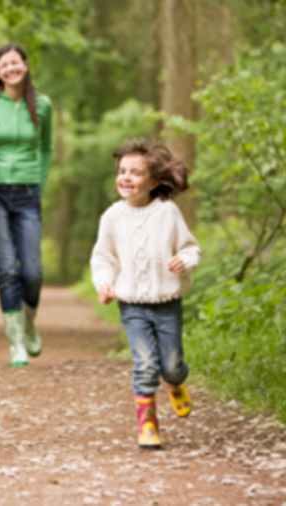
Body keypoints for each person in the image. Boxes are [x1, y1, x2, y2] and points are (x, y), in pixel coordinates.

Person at [90, 138, 200, 450]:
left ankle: (175, 381)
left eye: (135, 172)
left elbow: (190, 247)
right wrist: (104, 283)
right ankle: (147, 422)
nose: (126, 177)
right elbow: (103, 257)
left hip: (167, 304)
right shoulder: (112, 217)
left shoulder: (168, 213)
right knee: (145, 364)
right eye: (122, 171)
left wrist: (185, 262)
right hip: (132, 305)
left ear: (153, 182)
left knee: (170, 365)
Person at [0, 44, 53, 367]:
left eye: (15, 62)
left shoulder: (44, 105)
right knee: (8, 270)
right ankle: (16, 343)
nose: (10, 69)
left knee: (32, 272)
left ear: (25, 65)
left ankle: (29, 322)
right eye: (3, 65)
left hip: (28, 194)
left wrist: (40, 180)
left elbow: (46, 147)